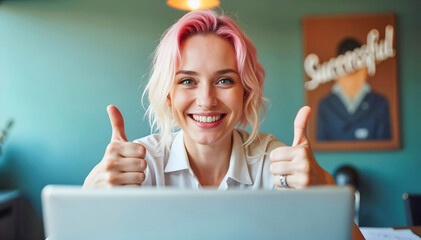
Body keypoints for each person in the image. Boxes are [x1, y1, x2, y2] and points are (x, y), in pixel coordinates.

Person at [83, 10, 364, 239]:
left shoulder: (275, 164)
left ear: (246, 92)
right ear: (169, 95)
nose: (206, 100)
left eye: (224, 80)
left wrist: (325, 189)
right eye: (187, 81)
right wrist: (89, 201)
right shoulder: (138, 167)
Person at [317, 38, 391, 141]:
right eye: (346, 66)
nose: (351, 70)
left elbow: (385, 146)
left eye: (356, 64)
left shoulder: (380, 103)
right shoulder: (326, 105)